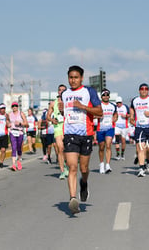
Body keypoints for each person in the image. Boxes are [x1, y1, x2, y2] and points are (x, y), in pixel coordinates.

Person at [61, 65, 103, 214]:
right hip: (70, 135)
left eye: (76, 77)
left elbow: (100, 111)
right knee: (72, 167)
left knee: (83, 169)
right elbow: (64, 112)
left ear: (81, 78)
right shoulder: (64, 94)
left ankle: (84, 183)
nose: (73, 80)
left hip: (86, 135)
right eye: (70, 77)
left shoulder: (89, 92)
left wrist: (83, 106)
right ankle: (73, 198)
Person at [47, 84, 69, 180]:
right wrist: (52, 120)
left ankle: (68, 166)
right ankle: (62, 170)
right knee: (60, 148)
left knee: (67, 149)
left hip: (68, 127)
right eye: (60, 90)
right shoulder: (53, 103)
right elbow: (47, 116)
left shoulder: (69, 102)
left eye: (63, 90)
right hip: (58, 127)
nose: (61, 91)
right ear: (58, 92)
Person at [96, 88, 118, 174]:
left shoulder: (113, 106)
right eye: (104, 95)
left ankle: (108, 165)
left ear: (109, 96)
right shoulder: (98, 106)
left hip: (110, 128)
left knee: (108, 145)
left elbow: (116, 114)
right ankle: (101, 164)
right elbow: (93, 115)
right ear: (101, 96)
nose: (106, 96)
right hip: (100, 128)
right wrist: (98, 116)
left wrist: (115, 118)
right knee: (101, 147)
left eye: (107, 95)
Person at [7, 102, 28, 171]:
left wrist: (20, 123)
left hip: (20, 132)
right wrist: (8, 124)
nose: (14, 107)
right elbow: (7, 121)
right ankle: (13, 164)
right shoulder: (9, 114)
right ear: (11, 107)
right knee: (13, 147)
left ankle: (18, 160)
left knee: (19, 147)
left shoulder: (21, 113)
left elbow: (26, 123)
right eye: (13, 106)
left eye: (16, 106)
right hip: (12, 132)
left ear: (17, 107)